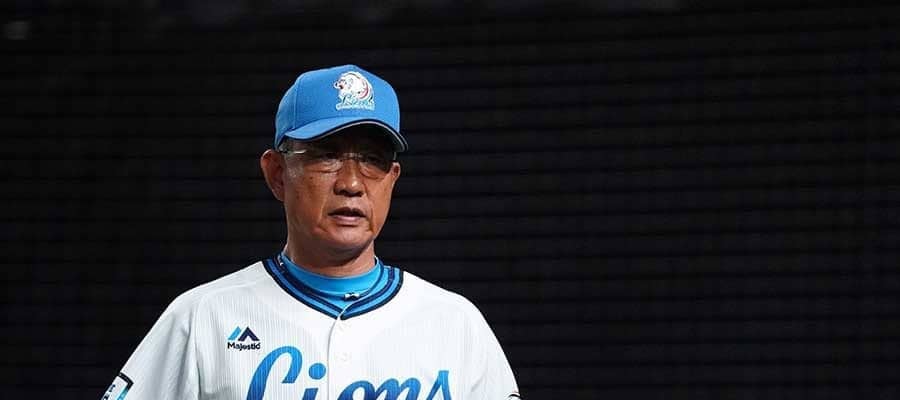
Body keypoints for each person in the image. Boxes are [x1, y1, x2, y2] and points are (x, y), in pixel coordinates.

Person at [102, 64, 520, 400]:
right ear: (277, 174)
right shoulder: (204, 317)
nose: (352, 183)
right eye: (326, 156)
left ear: (392, 178)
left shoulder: (455, 324)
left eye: (372, 159)